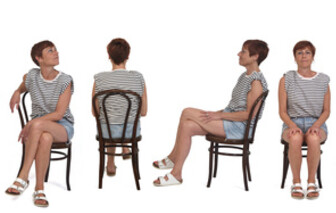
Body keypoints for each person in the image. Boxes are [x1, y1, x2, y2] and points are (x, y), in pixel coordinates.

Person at [151, 40, 269, 187]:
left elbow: (248, 116)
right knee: (187, 126)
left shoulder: (256, 82)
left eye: (243, 51)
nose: (239, 54)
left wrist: (219, 116)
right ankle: (177, 174)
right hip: (230, 122)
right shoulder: (245, 76)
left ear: (255, 56)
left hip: (240, 128)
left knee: (186, 111)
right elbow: (234, 107)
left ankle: (173, 159)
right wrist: (217, 113)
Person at [5, 40, 75, 207]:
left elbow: (59, 113)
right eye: (50, 51)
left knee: (37, 126)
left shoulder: (65, 80)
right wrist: (17, 91)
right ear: (39, 58)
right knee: (44, 138)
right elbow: (24, 84)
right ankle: (39, 189)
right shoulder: (32, 76)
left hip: (62, 126)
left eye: (55, 50)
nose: (56, 52)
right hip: (40, 130)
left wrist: (33, 123)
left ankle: (23, 176)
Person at [278, 40, 331, 199]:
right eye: (299, 53)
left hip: (317, 122)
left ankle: (311, 181)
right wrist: (292, 125)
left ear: (313, 56)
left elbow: (327, 111)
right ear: (294, 57)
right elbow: (282, 111)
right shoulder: (286, 79)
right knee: (294, 138)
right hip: (292, 121)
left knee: (314, 139)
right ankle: (296, 182)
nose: (303, 56)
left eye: (307, 52)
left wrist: (316, 125)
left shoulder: (323, 80)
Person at [92, 38, 147, 177]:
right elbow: (144, 111)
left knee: (109, 121)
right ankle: (124, 148)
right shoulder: (138, 77)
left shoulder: (99, 78)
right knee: (124, 119)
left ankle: (110, 164)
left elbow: (95, 112)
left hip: (107, 133)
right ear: (128, 56)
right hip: (131, 132)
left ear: (109, 56)